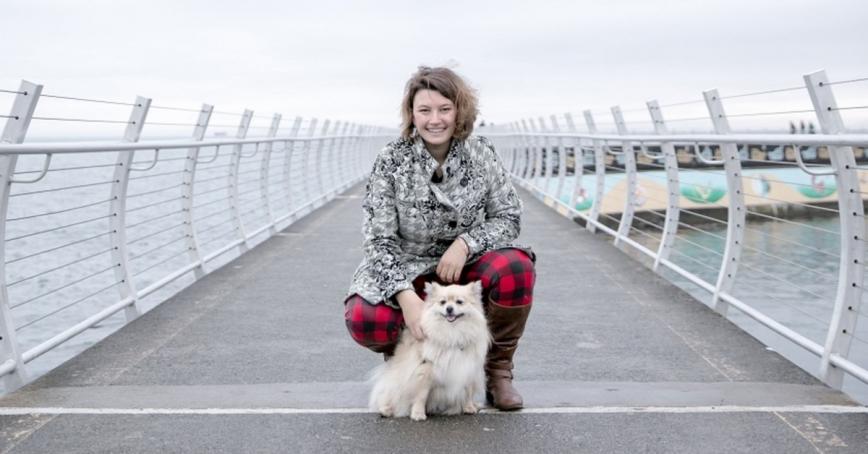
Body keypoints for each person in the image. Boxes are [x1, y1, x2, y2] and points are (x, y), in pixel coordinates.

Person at [343, 66, 536, 411]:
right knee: (365, 317)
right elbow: (378, 240)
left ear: (459, 111)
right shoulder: (391, 159)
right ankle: (407, 364)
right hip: (408, 264)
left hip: (466, 264)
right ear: (411, 114)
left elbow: (509, 216)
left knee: (515, 267)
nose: (435, 120)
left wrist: (466, 244)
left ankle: (497, 371)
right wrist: (405, 295)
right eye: (424, 110)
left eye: (444, 109)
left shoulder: (481, 152)